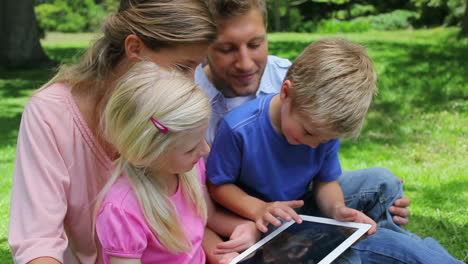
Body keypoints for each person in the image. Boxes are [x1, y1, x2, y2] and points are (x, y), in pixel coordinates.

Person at [8, 1, 233, 263]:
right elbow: (38, 242)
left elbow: (188, 221)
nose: (190, 83)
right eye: (182, 67)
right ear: (134, 49)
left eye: (196, 68)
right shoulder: (50, 114)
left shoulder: (176, 113)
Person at [206, 38, 463, 263]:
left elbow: (327, 182)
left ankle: (390, 240)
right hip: (267, 223)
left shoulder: (320, 130)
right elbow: (218, 186)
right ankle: (390, 247)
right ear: (286, 93)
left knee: (382, 181)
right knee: (385, 250)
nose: (315, 144)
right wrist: (258, 209)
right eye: (308, 133)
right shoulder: (239, 128)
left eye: (325, 140)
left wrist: (337, 210)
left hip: (305, 210)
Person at [195, 0, 410, 229]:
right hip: (239, 218)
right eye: (227, 49)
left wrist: (364, 200)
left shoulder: (299, 80)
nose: (246, 64)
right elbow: (199, 200)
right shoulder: (188, 103)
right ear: (202, 46)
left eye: (256, 44)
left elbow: (320, 161)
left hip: (300, 203)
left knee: (383, 185)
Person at [94, 61, 259, 264]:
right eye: (190, 149)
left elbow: (202, 223)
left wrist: (239, 234)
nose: (206, 150)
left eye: (202, 138)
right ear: (146, 153)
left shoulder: (189, 168)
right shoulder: (122, 211)